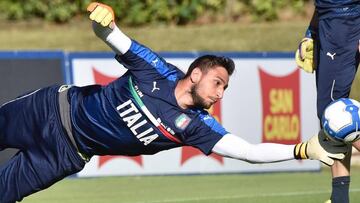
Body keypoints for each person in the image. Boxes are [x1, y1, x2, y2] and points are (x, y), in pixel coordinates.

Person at [0, 2, 349, 203]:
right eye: (217, 83)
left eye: (225, 88)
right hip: (46, 110)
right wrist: (101, 19)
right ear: (195, 74)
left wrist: (303, 150)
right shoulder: (154, 69)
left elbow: (248, 151)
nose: (220, 94)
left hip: (63, 156)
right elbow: (112, 36)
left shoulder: (197, 127)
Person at [295, 1, 360, 202]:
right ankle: (340, 198)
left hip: (344, 24)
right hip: (329, 23)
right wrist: (312, 31)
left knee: (336, 115)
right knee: (331, 114)